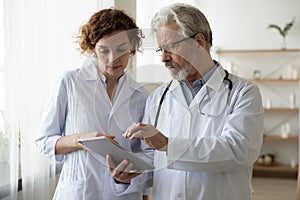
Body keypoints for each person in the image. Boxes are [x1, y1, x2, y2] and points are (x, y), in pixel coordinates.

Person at [123, 3, 264, 200]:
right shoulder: (158, 97)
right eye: (160, 49)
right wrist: (130, 173)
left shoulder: (243, 93)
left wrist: (168, 145)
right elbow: (152, 158)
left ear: (199, 41)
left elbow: (239, 151)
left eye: (171, 47)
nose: (163, 58)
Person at [35, 8, 152, 200]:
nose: (113, 59)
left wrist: (136, 184)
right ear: (92, 48)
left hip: (124, 194)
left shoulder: (142, 96)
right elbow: (43, 141)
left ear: (132, 47)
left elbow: (147, 154)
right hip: (79, 192)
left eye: (121, 49)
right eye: (104, 50)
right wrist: (82, 140)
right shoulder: (70, 82)